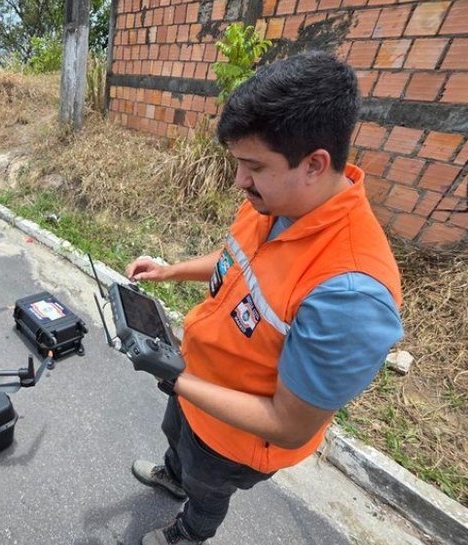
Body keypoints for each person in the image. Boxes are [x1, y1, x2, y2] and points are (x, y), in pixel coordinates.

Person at [126, 51, 403, 545]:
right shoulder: (276, 198)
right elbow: (239, 260)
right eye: (238, 163)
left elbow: (288, 426)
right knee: (178, 444)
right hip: (193, 384)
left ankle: (188, 534)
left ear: (315, 163)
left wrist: (176, 378)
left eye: (252, 166)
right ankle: (172, 475)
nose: (239, 181)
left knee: (207, 489)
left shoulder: (350, 296)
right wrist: (168, 271)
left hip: (233, 439)